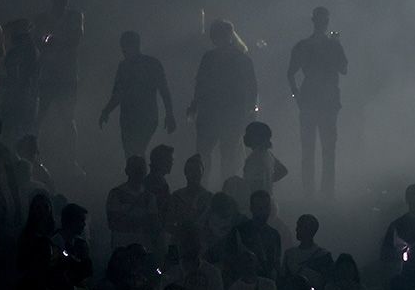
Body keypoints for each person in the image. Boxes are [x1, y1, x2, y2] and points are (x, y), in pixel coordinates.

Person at [288, 7, 348, 199]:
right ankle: (323, 192)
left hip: (316, 101)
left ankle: (313, 192)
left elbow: (290, 73)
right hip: (323, 101)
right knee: (325, 149)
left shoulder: (306, 45)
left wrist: (297, 95)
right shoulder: (329, 45)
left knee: (313, 148)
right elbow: (344, 69)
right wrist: (297, 96)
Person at [188, 19, 257, 184]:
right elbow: (201, 84)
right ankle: (218, 190)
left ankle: (216, 189)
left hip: (222, 114)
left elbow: (252, 89)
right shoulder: (234, 59)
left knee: (219, 155)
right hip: (219, 114)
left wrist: (195, 106)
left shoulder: (223, 58)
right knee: (221, 156)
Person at [34, 0, 85, 174]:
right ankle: (34, 158)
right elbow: (40, 42)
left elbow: (75, 39)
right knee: (39, 118)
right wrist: (55, 42)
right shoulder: (43, 18)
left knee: (67, 119)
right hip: (49, 75)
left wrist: (54, 41)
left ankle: (70, 160)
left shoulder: (75, 15)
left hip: (67, 76)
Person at [99, 31, 176, 158]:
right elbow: (118, 94)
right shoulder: (125, 66)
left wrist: (169, 114)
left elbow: (164, 90)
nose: (123, 50)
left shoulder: (150, 64)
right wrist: (106, 111)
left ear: (136, 45)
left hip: (145, 117)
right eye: (122, 47)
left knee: (136, 153)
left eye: (126, 46)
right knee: (132, 154)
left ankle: (138, 176)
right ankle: (138, 176)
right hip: (129, 118)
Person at [105, 155, 159, 251]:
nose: (138, 172)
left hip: (140, 247)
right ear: (127, 171)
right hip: (122, 246)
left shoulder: (149, 197)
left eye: (141, 169)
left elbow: (152, 223)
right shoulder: (116, 194)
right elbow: (113, 223)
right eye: (136, 169)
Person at [242, 122, 288, 201]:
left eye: (248, 134)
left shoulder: (254, 158)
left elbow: (250, 183)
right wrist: (269, 180)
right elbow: (283, 170)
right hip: (268, 200)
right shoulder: (268, 154)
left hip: (257, 202)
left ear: (255, 137)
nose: (244, 137)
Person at [168, 154, 212, 232]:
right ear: (185, 172)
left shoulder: (209, 197)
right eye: (191, 170)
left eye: (197, 170)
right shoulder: (177, 196)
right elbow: (169, 222)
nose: (194, 174)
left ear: (202, 172)